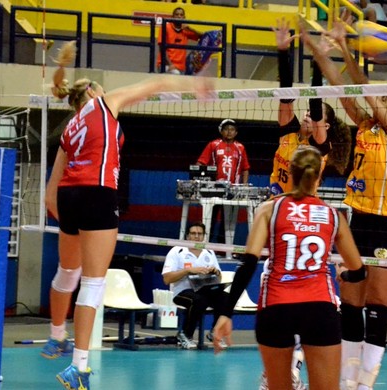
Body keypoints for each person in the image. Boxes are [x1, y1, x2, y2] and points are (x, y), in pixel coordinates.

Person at [44, 41, 212, 390]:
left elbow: (49, 196)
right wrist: (191, 84)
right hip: (97, 192)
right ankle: (79, 367)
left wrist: (70, 220)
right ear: (92, 90)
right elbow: (154, 86)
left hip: (68, 196)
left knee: (68, 271)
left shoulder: (69, 128)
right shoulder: (104, 103)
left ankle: (55, 336)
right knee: (92, 282)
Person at [301, 19, 387, 389]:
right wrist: (315, 48)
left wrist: (348, 46)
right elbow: (341, 84)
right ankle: (347, 380)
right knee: (350, 303)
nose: (380, 97)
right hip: (356, 219)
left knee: (379, 304)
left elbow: (363, 87)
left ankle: (366, 382)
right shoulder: (365, 125)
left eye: (386, 95)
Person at [212, 146, 366, 390]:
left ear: (289, 173)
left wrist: (225, 313)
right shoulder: (333, 215)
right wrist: (344, 275)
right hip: (319, 307)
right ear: (318, 177)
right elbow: (360, 272)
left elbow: (248, 264)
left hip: (276, 307)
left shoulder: (269, 208)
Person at [270, 18, 351, 196]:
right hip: (275, 202)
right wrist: (283, 52)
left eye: (314, 114)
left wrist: (318, 62)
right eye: (306, 111)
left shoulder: (320, 146)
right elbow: (285, 96)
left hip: (302, 208)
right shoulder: (288, 134)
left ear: (325, 126)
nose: (308, 114)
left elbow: (315, 105)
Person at [162, 222, 228, 350]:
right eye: (193, 233)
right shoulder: (177, 251)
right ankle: (185, 335)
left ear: (204, 236)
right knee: (199, 300)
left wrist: (215, 272)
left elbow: (219, 278)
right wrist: (188, 270)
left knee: (226, 298)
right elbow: (167, 279)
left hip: (204, 290)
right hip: (182, 292)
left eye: (199, 234)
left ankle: (215, 332)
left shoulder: (209, 252)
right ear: (187, 236)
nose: (196, 236)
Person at [197, 118, 250, 185]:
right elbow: (200, 163)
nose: (229, 132)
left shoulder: (240, 148)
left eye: (232, 129)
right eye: (226, 129)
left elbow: (245, 169)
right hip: (214, 186)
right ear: (221, 131)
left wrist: (245, 184)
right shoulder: (213, 145)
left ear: (236, 133)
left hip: (234, 187)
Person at [157, 7, 201, 74]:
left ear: (184, 17)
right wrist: (170, 64)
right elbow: (162, 48)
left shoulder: (186, 30)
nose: (179, 16)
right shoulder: (165, 27)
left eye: (181, 15)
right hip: (166, 65)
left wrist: (190, 29)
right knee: (176, 73)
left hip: (181, 67)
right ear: (172, 17)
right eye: (177, 14)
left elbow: (202, 36)